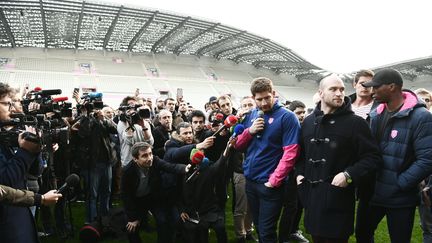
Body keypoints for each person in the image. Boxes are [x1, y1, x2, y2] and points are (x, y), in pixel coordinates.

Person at [295, 74, 381, 243]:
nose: (339, 93)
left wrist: (348, 175)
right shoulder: (308, 122)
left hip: (338, 200)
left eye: (342, 89)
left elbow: (373, 157)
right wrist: (299, 174)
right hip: (311, 199)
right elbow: (301, 155)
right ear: (321, 93)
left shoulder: (356, 123)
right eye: (333, 89)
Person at [362, 69, 432, 243]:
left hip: (400, 197)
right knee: (362, 234)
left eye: (376, 87)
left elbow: (427, 159)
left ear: (392, 87)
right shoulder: (375, 113)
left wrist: (400, 183)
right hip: (372, 192)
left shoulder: (421, 117)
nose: (372, 91)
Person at [234, 77, 301, 243]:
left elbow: (291, 153)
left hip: (270, 185)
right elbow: (238, 146)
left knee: (266, 231)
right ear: (253, 98)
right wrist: (249, 131)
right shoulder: (252, 115)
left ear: (274, 94)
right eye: (259, 99)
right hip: (251, 181)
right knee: (258, 226)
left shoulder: (287, 117)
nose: (263, 103)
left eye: (267, 98)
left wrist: (274, 180)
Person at [121, 142, 190, 243]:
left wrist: (185, 168)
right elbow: (126, 196)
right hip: (136, 201)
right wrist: (133, 218)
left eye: (150, 154)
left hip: (153, 198)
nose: (149, 158)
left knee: (163, 221)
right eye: (144, 156)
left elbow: (170, 167)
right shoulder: (128, 172)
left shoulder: (155, 161)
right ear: (135, 159)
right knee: (131, 227)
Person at [0, 82, 42, 243]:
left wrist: (35, 149)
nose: (12, 108)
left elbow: (35, 171)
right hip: (7, 222)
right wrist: (25, 152)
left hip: (19, 213)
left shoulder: (8, 133)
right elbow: (5, 183)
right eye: (6, 103)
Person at [278, 100, 308, 243]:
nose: (302, 115)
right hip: (289, 173)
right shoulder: (288, 128)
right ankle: (284, 237)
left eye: (303, 112)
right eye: (298, 113)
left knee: (300, 204)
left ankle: (293, 231)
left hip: (302, 172)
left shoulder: (306, 127)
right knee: (290, 206)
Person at [414, 88, 432, 243]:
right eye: (420, 99)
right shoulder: (408, 124)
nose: (424, 102)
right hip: (417, 183)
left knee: (429, 227)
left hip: (428, 184)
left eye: (427, 100)